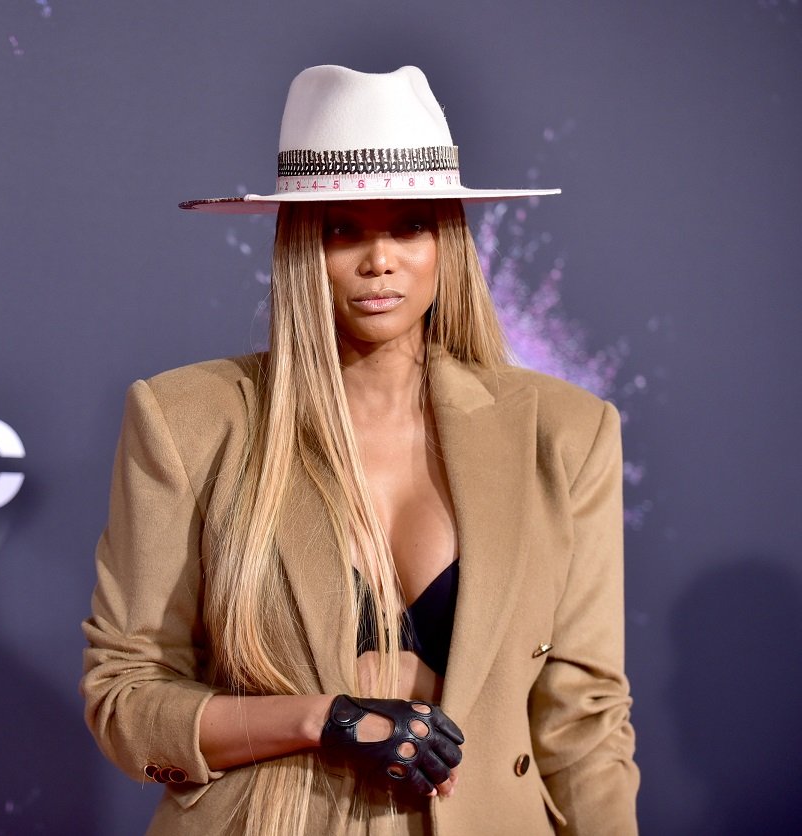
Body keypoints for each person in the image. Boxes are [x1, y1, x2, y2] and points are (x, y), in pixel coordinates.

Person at [81, 64, 638, 835]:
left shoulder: (564, 433)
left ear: (447, 238)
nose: (379, 259)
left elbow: (585, 718)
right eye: (343, 227)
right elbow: (127, 697)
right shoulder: (188, 421)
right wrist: (323, 719)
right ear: (299, 244)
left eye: (408, 223)